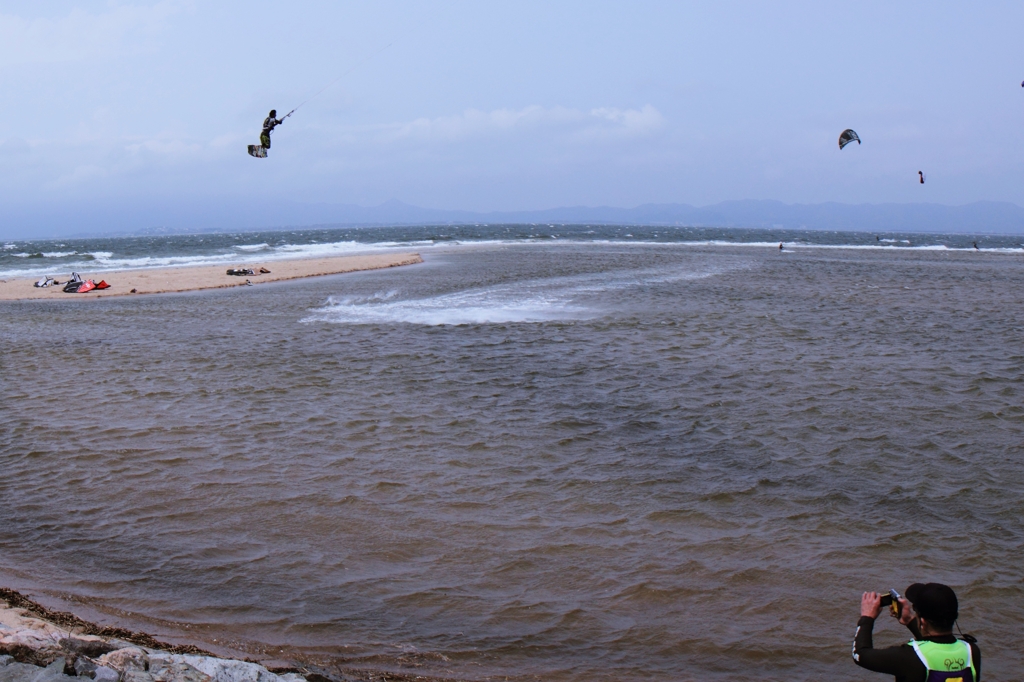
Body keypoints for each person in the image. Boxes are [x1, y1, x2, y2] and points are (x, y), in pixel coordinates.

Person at [852, 583, 980, 681]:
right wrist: (910, 621)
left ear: (922, 621)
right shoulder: (972, 652)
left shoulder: (908, 658)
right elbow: (936, 649)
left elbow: (860, 654)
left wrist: (867, 618)